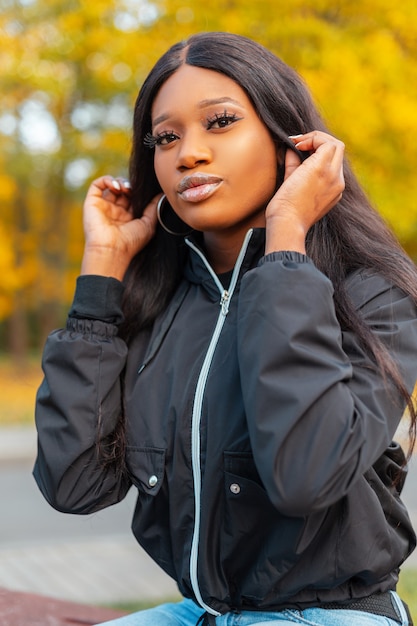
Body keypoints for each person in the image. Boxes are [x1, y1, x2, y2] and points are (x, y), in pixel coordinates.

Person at [33, 32, 417, 626]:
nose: (188, 154)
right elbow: (75, 485)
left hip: (330, 614)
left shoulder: (374, 294)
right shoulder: (164, 299)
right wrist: (103, 273)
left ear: (289, 142)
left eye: (220, 122)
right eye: (166, 137)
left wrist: (286, 239)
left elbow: (306, 476)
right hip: (203, 612)